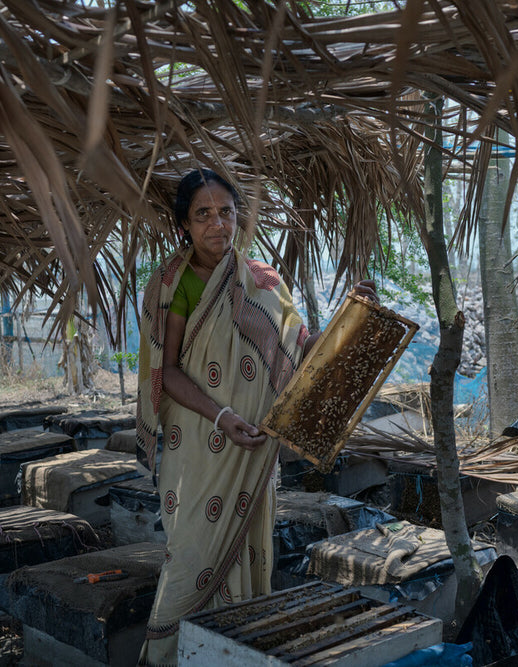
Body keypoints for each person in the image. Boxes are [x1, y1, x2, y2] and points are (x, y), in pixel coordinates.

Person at [135, 168, 377, 666]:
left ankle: (229, 657)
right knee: (190, 560)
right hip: (199, 444)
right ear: (183, 223)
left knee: (247, 556)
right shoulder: (171, 284)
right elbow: (168, 371)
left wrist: (350, 321)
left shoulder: (263, 281)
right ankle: (161, 658)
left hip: (255, 452)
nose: (217, 224)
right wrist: (221, 415)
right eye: (203, 214)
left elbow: (300, 357)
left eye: (226, 212)